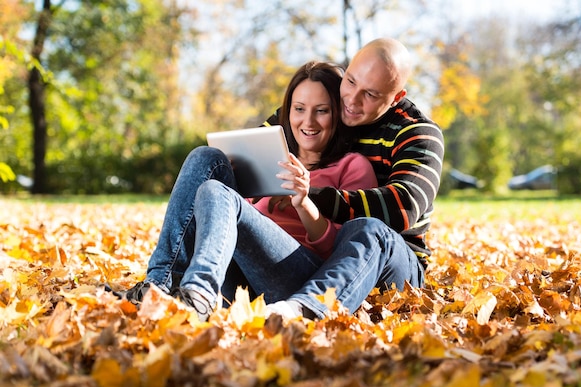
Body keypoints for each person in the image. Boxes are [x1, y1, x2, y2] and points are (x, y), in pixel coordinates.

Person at [118, 37, 445, 321]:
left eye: (371, 95)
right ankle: (163, 285)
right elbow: (272, 139)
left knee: (369, 230)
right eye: (350, 82)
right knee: (208, 161)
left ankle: (302, 310)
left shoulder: (415, 133)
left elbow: (402, 208)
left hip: (391, 262)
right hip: (273, 262)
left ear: (396, 96)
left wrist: (306, 195)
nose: (353, 100)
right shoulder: (321, 106)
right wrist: (237, 170)